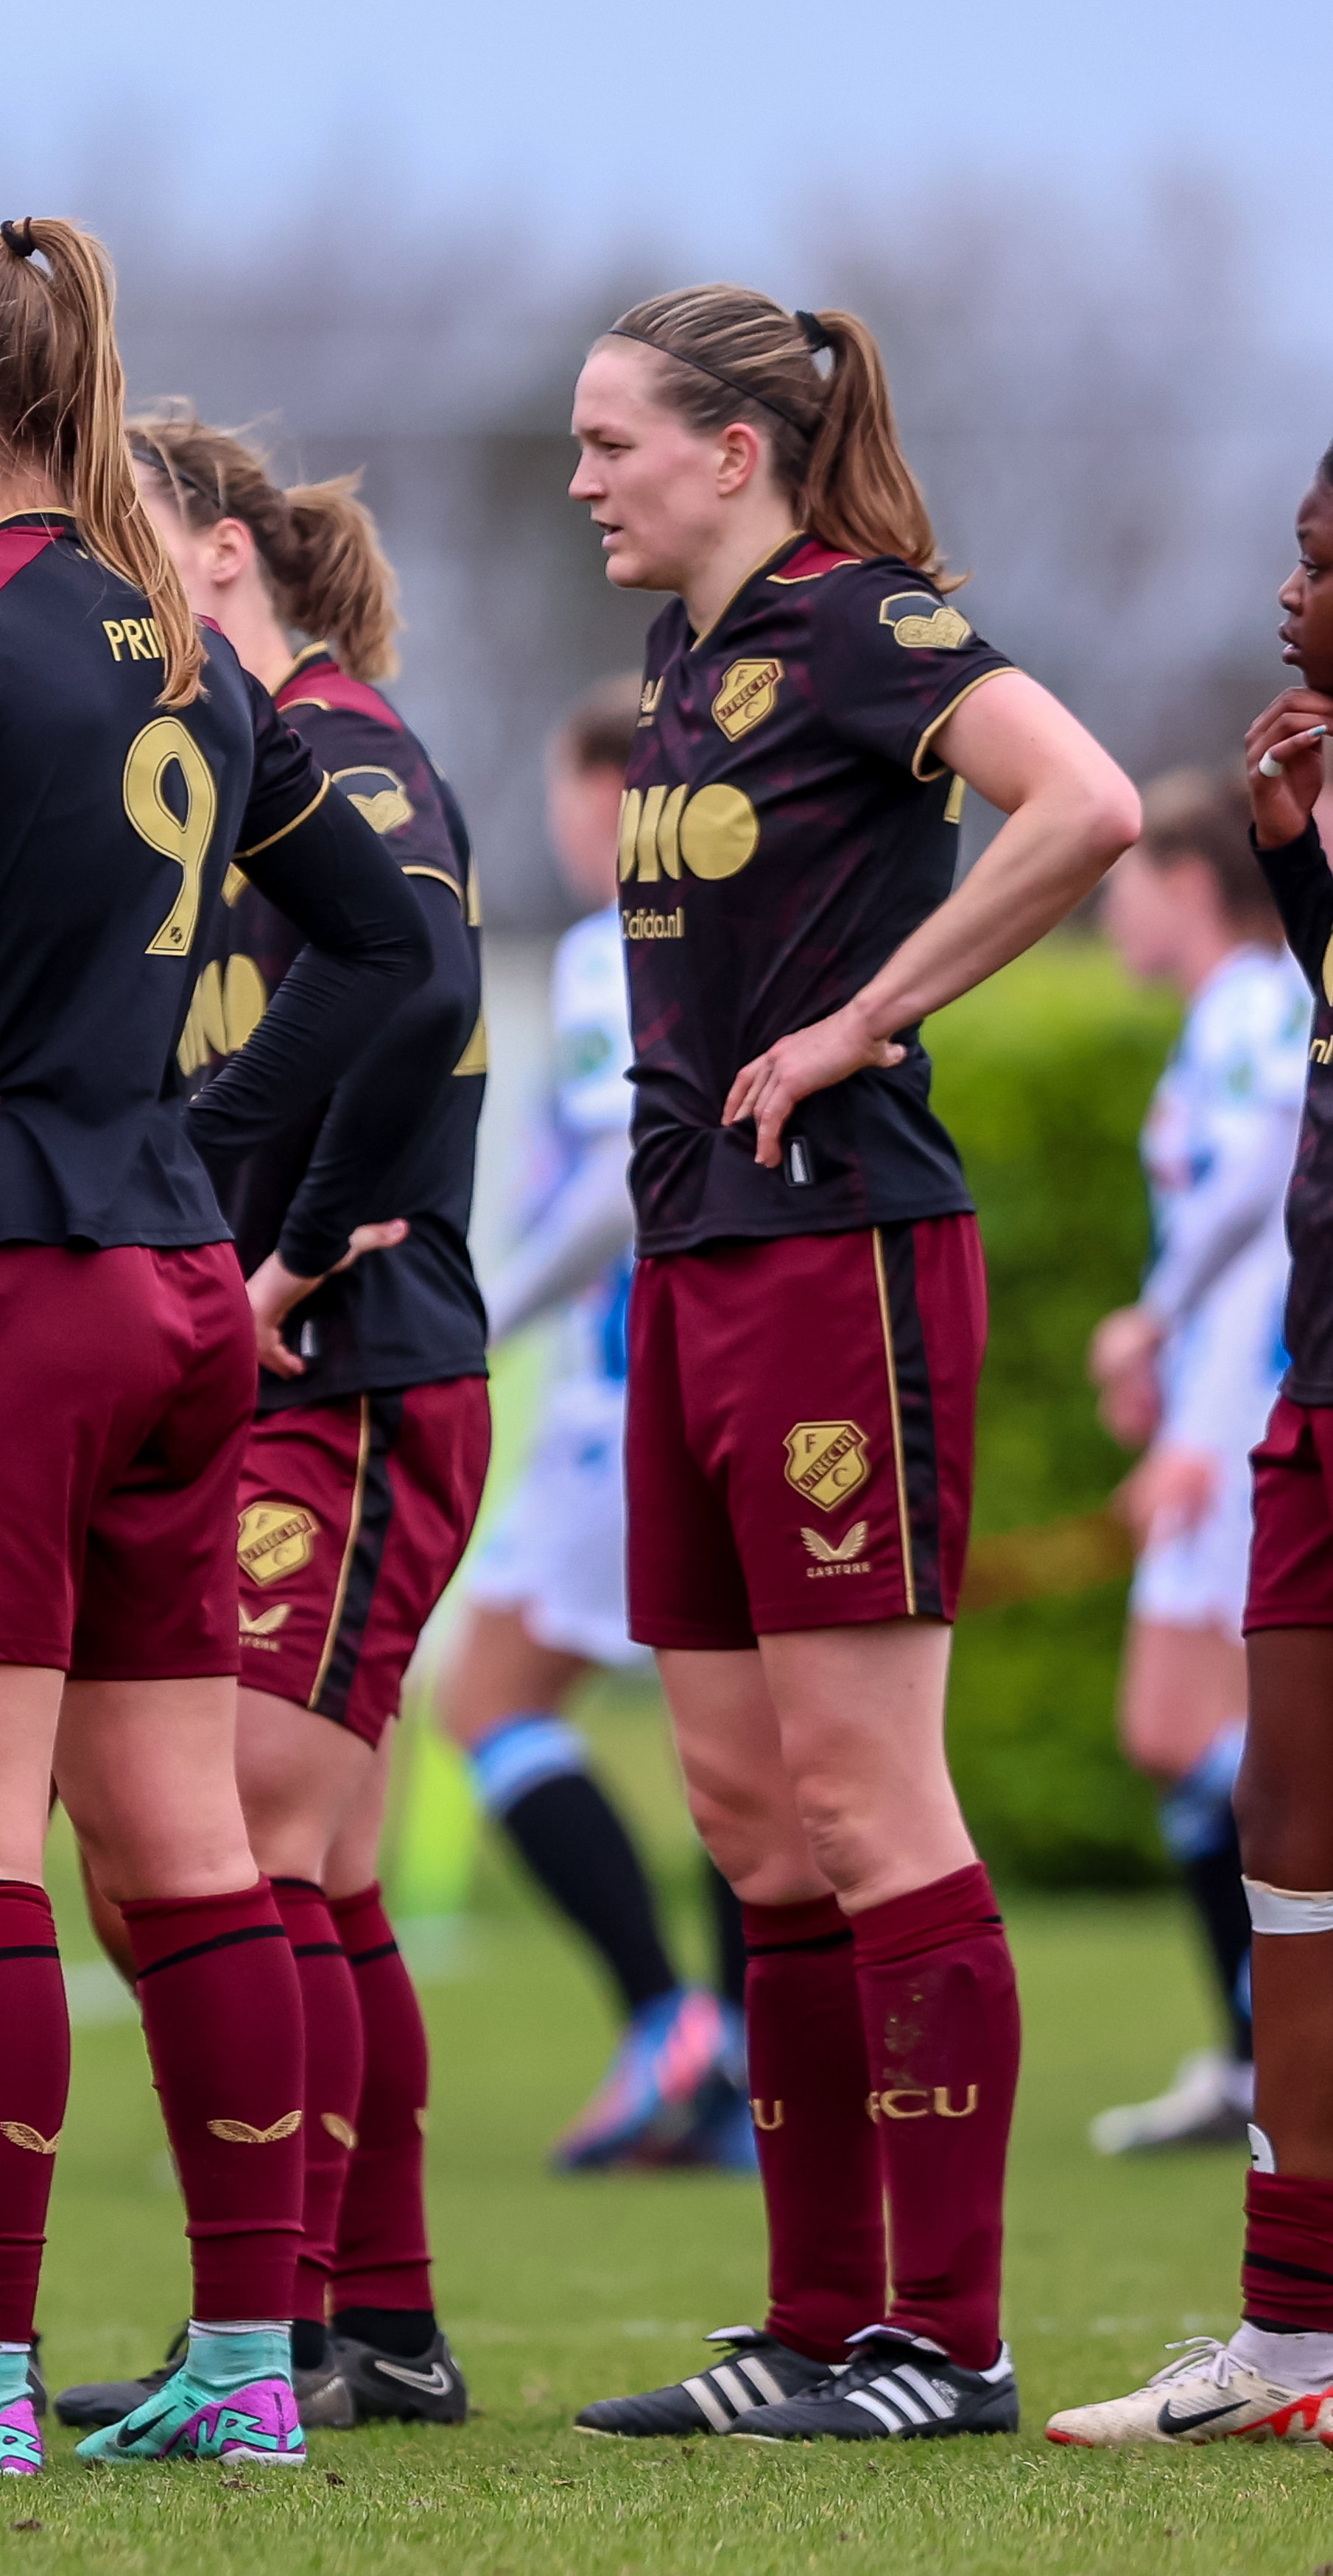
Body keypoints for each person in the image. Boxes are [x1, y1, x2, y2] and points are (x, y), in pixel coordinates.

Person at [0, 217, 431, 2472]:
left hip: (17, 1285)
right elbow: (392, 956)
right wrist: (190, 1139)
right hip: (179, 1291)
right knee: (181, 1845)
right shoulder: (187, 647)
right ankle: (249, 2367)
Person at [557, 285, 1137, 2444]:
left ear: (734, 450)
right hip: (697, 1262)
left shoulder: (868, 623)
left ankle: (950, 2344)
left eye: (614, 441)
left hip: (844, 1257)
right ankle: (812, 2327)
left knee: (867, 1795)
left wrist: (869, 1017)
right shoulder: (685, 662)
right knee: (744, 1813)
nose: (586, 477)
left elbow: (1081, 809)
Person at [46, 411, 486, 2435]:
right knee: (255, 1868)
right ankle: (362, 2315)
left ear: (217, 554)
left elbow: (415, 985)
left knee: (238, 1843)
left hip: (360, 1368)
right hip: (257, 1373)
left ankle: (306, 2320)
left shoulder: (352, 754)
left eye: (116, 529)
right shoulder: (204, 762)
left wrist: (288, 1251)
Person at [1049, 470, 1333, 2443]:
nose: (1286, 591)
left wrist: (1170, 1345)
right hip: (1305, 1390)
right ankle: (1290, 2346)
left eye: (1320, 560)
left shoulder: (1226, 1006)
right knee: (1284, 1848)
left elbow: (1239, 1183)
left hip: (1273, 1392)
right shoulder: (1293, 895)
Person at [445, 679, 756, 2175]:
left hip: (631, 1387)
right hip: (740, 1372)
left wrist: (490, 1313)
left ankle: (668, 2022)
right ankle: (744, 2059)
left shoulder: (604, 953)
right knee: (749, 1742)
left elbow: (629, 1175)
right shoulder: (738, 935)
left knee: (490, 1700)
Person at [1084, 770, 1302, 2156]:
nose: (1108, 905)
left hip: (1240, 1423)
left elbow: (1271, 1194)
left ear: (1186, 881)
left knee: (1198, 1733)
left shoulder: (1253, 1008)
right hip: (1225, 1410)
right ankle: (1253, 2054)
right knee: (1197, 1741)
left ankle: (1274, 2036)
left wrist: (1185, 1401)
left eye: (1125, 878)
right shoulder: (1236, 1013)